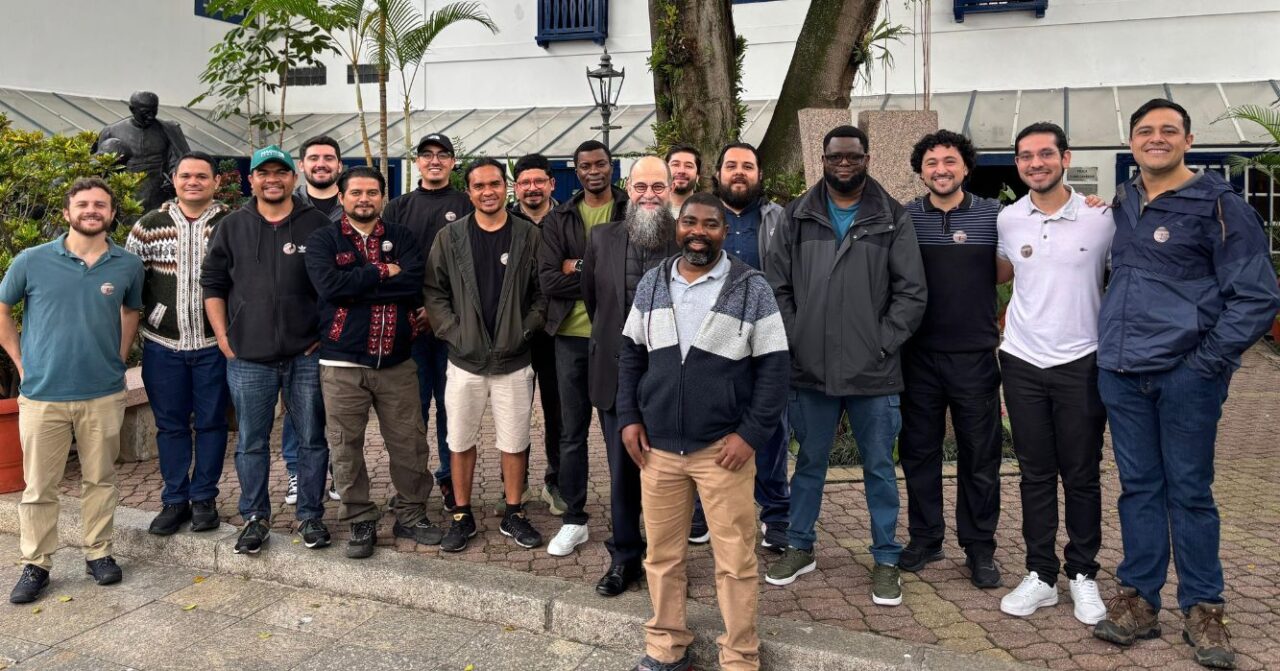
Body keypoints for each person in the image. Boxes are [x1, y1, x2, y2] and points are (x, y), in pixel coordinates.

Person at [1092, 99, 1280, 670]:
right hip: (1122, 374)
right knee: (1139, 489)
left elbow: (1257, 295)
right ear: (1131, 144)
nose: (1156, 138)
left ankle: (1203, 607)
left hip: (1185, 377)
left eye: (1167, 130)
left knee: (1190, 492)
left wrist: (1205, 364)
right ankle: (1140, 600)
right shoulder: (1123, 203)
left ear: (1188, 140)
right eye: (1145, 131)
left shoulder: (1220, 205)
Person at [618, 191, 789, 671]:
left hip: (722, 451)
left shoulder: (752, 287)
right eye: (689, 221)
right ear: (677, 226)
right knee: (662, 556)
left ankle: (739, 656)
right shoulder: (653, 283)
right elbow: (631, 354)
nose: (698, 231)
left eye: (709, 224)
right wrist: (629, 417)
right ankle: (666, 647)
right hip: (659, 451)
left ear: (724, 231)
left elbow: (775, 370)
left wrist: (750, 434)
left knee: (735, 561)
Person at [763, 125, 927, 609]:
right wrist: (796, 339)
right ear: (823, 159)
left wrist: (882, 343)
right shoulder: (797, 216)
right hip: (810, 369)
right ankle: (799, 546)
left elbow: (911, 293)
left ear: (867, 158)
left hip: (873, 372)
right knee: (809, 463)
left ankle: (885, 559)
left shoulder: (891, 217)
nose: (844, 164)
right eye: (835, 157)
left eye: (853, 157)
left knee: (878, 467)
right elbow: (777, 286)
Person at [2, 178, 144, 604]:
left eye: (100, 204)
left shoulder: (127, 265)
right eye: (82, 204)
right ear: (67, 213)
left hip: (102, 392)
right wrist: (21, 362)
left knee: (100, 478)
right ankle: (37, 563)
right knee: (39, 486)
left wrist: (118, 358)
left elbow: (131, 310)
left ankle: (98, 552)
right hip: (43, 393)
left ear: (112, 213)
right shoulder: (32, 260)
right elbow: (3, 307)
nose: (91, 210)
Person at [995, 122, 1113, 625]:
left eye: (1045, 154)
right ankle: (1041, 574)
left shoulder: (1102, 218)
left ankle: (1083, 573)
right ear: (1017, 163)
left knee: (1082, 474)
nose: (1035, 163)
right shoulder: (1008, 219)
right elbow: (1001, 273)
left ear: (1066, 158)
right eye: (1025, 156)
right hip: (1022, 360)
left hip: (1081, 360)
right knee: (1035, 473)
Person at [305, 166, 442, 559]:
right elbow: (330, 287)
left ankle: (411, 513)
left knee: (410, 442)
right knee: (345, 445)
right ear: (342, 197)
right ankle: (359, 518)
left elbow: (413, 282)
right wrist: (383, 272)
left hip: (398, 360)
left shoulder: (402, 237)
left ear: (383, 196)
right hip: (341, 364)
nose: (364, 199)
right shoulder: (323, 240)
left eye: (371, 192)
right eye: (356, 193)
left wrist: (358, 283)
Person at [202, 145, 333, 555]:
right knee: (252, 442)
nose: (272, 179)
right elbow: (213, 284)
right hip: (248, 358)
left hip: (306, 355)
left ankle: (311, 515)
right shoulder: (232, 226)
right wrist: (224, 337)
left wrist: (325, 333)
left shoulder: (317, 224)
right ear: (251, 179)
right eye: (263, 172)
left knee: (312, 438)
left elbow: (335, 287)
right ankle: (255, 518)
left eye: (281, 172)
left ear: (294, 178)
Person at [423, 158, 547, 553]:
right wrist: (454, 333)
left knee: (515, 440)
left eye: (495, 184)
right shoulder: (450, 236)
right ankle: (461, 514)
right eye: (479, 186)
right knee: (459, 439)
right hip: (465, 360)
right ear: (469, 191)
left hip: (514, 358)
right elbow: (435, 291)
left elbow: (543, 291)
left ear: (505, 187)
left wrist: (525, 329)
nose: (488, 191)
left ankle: (514, 510)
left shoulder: (527, 235)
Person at [897, 130, 1004, 588]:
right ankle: (925, 538)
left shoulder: (995, 216)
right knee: (919, 453)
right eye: (932, 162)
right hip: (917, 356)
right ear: (921, 171)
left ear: (965, 167)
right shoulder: (903, 219)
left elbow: (1027, 261)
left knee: (980, 456)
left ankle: (979, 548)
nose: (941, 169)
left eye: (950, 161)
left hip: (975, 356)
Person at [582, 156, 681, 596]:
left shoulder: (685, 237)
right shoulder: (601, 237)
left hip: (670, 377)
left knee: (669, 475)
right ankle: (624, 556)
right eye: (641, 187)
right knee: (622, 471)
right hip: (616, 372)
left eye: (657, 187)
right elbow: (594, 303)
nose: (648, 196)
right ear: (628, 188)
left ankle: (665, 561)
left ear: (670, 188)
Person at [688, 141, 791, 552]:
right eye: (731, 165)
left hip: (762, 345)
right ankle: (701, 511)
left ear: (759, 174)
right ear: (718, 174)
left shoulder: (778, 219)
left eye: (747, 166)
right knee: (703, 428)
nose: (739, 172)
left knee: (769, 430)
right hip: (707, 346)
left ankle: (776, 514)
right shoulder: (699, 219)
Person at [126, 152, 231, 537]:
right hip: (162, 344)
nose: (193, 182)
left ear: (216, 182)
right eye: (186, 175)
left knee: (211, 423)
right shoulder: (148, 227)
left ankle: (204, 498)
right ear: (173, 179)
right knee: (169, 426)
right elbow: (131, 285)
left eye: (202, 176)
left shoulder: (230, 225)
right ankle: (174, 499)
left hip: (213, 345)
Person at [538, 140, 626, 556]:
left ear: (612, 167)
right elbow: (549, 281)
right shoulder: (560, 218)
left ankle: (628, 517)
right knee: (571, 432)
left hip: (620, 337)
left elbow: (638, 274)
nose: (594, 171)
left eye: (601, 164)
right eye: (585, 165)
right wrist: (602, 272)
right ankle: (574, 517)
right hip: (571, 339)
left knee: (619, 432)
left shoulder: (630, 210)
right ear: (576, 171)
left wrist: (578, 266)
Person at [383, 133, 474, 512]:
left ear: (453, 162)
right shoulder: (398, 208)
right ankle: (413, 485)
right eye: (427, 155)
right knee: (411, 411)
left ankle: (450, 479)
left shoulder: (467, 204)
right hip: (410, 328)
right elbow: (388, 266)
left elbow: (473, 270)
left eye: (442, 155)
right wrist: (412, 308)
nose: (434, 161)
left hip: (453, 327)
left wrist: (440, 312)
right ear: (417, 162)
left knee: (452, 408)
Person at [503, 153, 565, 516]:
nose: (532, 188)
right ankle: (517, 484)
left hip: (559, 331)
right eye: (524, 182)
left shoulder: (566, 220)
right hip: (516, 333)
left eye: (539, 181)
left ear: (551, 184)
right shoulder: (504, 222)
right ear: (516, 187)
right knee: (513, 413)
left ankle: (555, 481)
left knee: (560, 414)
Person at [93, 91, 191, 211]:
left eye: (154, 111)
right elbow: (100, 168)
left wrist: (174, 178)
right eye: (146, 112)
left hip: (159, 193)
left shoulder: (169, 130)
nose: (151, 116)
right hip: (127, 195)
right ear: (132, 109)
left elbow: (181, 161)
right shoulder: (111, 131)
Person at [294, 135, 344, 222]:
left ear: (339, 166)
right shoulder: (289, 206)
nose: (321, 164)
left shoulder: (355, 203)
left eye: (328, 158)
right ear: (301, 166)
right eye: (313, 158)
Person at [665, 143, 702, 215]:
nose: (681, 171)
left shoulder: (708, 212)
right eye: (675, 164)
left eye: (688, 166)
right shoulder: (652, 210)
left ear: (697, 176)